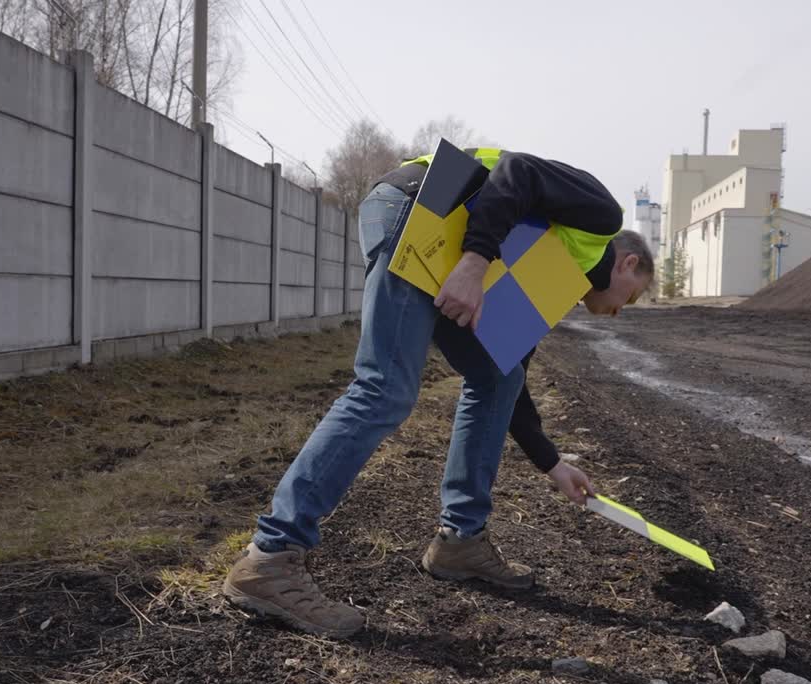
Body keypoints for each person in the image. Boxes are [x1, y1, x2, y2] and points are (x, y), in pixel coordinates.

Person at [223, 147, 655, 638]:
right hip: (425, 207)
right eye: (632, 297)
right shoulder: (601, 217)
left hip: (445, 224)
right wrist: (474, 265)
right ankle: (272, 558)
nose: (620, 311)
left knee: (499, 377)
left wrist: (552, 464)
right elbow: (518, 171)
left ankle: (460, 540)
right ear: (628, 264)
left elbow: (511, 372)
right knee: (385, 388)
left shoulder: (559, 265)